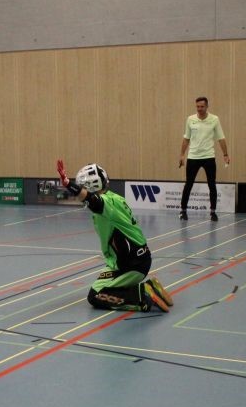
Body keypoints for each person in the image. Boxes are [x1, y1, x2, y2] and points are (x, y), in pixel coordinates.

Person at [57, 160, 173, 313]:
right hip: (136, 259)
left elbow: (93, 200)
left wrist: (68, 184)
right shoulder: (114, 198)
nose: (81, 191)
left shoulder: (105, 204)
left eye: (83, 187)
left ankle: (142, 294)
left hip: (131, 264)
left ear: (91, 187)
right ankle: (152, 287)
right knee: (107, 287)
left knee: (95, 295)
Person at [179, 96, 230, 221]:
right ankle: (183, 211)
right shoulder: (190, 119)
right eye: (197, 106)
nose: (199, 109)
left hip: (209, 157)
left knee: (212, 184)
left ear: (207, 106)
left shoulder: (214, 119)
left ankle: (213, 212)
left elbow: (221, 138)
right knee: (188, 184)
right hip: (193, 157)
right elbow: (186, 139)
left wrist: (225, 155)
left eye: (202, 106)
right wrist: (182, 155)